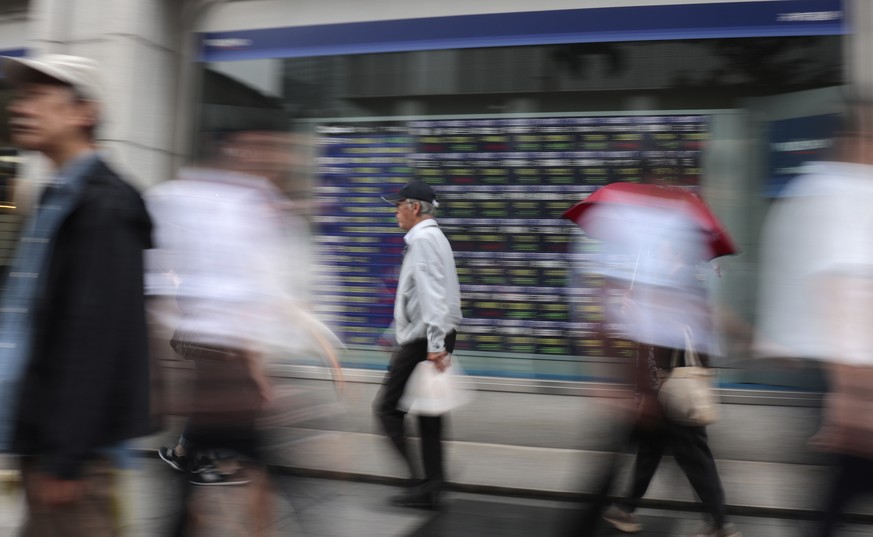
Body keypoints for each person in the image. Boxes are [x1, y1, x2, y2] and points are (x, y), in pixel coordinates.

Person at [0, 54, 154, 536]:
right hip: (41, 439)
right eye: (21, 97)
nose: (21, 108)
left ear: (83, 113)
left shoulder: (104, 205)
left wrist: (66, 456)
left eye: (38, 97)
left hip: (70, 456)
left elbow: (94, 336)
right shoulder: (54, 195)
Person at [581, 202, 740, 537]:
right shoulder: (668, 283)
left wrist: (638, 307)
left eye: (665, 245)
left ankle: (718, 521)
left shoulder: (682, 284)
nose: (659, 250)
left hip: (675, 383)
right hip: (664, 386)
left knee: (692, 455)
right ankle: (628, 509)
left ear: (676, 251)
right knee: (656, 450)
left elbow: (676, 333)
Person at [756, 100, 873, 537]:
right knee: (839, 494)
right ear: (857, 140)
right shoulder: (841, 189)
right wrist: (853, 397)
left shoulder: (816, 188)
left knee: (839, 495)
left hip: (836, 370)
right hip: (850, 371)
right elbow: (841, 285)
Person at [374, 179, 462, 509]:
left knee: (387, 409)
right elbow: (420, 295)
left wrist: (435, 346)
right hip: (430, 334)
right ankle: (433, 484)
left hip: (426, 338)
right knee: (429, 412)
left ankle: (419, 482)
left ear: (414, 207)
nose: (395, 211)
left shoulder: (424, 241)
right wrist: (392, 332)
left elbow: (433, 297)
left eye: (398, 205)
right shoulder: (433, 238)